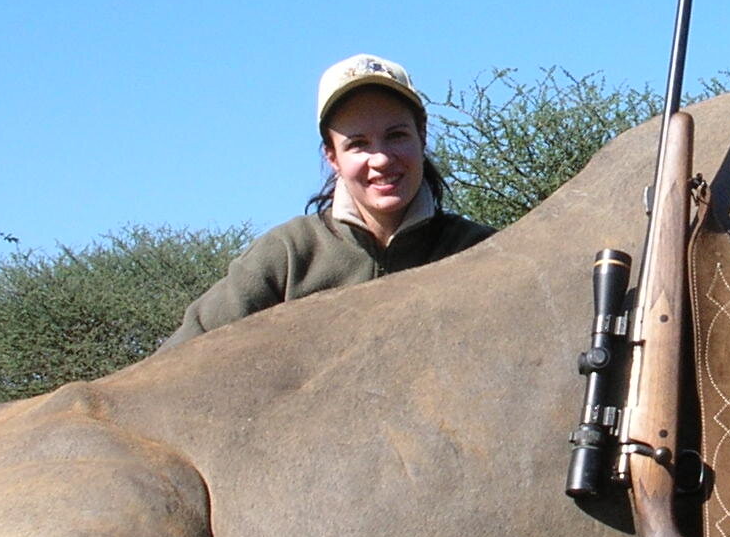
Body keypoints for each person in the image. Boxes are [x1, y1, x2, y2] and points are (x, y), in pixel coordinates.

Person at [166, 55, 494, 345]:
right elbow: (173, 363)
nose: (380, 158)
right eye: (358, 144)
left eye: (396, 135)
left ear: (422, 136)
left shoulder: (478, 252)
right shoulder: (288, 255)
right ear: (332, 157)